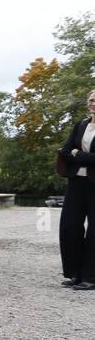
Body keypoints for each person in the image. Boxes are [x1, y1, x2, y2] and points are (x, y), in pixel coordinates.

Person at [57, 88, 95, 289]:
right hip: (76, 183)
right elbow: (65, 149)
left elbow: (74, 153)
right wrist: (76, 153)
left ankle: (90, 277)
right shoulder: (80, 125)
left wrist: (78, 155)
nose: (93, 103)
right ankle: (74, 274)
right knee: (69, 227)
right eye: (91, 99)